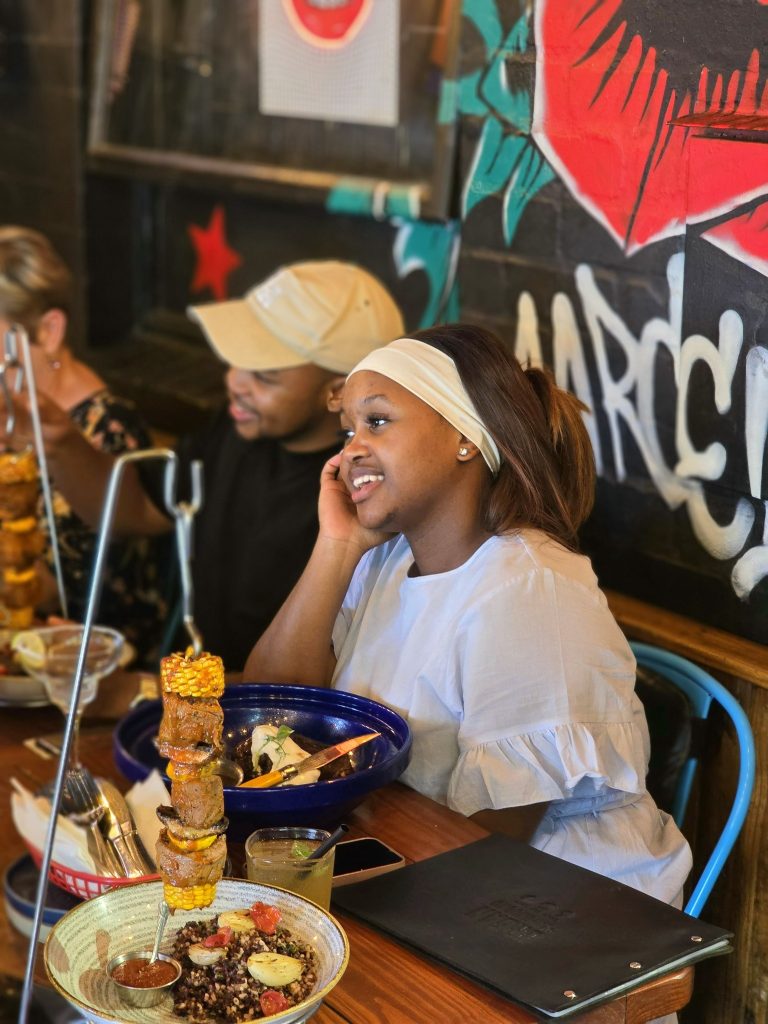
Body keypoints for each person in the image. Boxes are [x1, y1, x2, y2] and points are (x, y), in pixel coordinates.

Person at [244, 323, 693, 908]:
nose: (351, 447)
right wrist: (338, 546)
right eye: (348, 429)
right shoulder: (386, 559)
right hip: (415, 863)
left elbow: (489, 848)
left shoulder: (529, 590)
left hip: (557, 913)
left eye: (377, 421)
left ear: (464, 435)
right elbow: (274, 711)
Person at [1, 259, 404, 669]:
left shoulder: (358, 497)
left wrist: (136, 694)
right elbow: (137, 511)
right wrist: (60, 441)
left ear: (337, 392)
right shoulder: (235, 432)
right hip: (185, 686)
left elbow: (307, 684)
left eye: (264, 376)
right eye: (235, 358)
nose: (234, 381)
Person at [0, 226, 166, 658]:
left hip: (97, 672)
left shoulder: (109, 429)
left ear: (49, 330)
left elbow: (50, 592)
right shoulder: (9, 414)